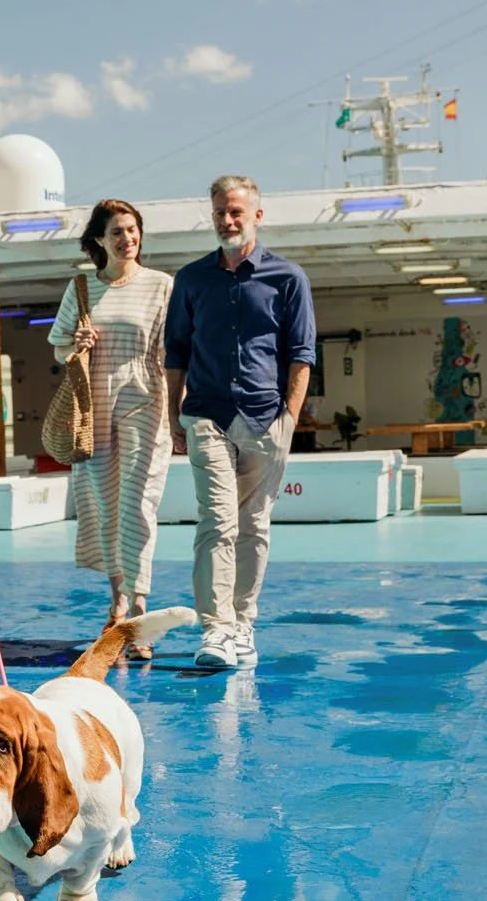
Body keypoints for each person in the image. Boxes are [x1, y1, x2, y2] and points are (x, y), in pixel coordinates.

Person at [164, 175, 316, 670]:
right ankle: (215, 629)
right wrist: (172, 413)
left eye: (235, 212)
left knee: (253, 525)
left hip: (266, 418)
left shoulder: (287, 278)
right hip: (207, 413)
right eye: (218, 214)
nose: (226, 221)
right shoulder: (191, 279)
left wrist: (289, 419)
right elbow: (176, 352)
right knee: (217, 520)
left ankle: (243, 624)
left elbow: (301, 354)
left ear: (257, 214)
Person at [47, 199, 174, 658]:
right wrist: (75, 344)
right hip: (92, 410)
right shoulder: (81, 287)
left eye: (133, 229)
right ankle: (117, 599)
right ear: (99, 239)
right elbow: (59, 349)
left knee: (138, 503)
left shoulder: (162, 286)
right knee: (104, 506)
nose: (127, 238)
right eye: (117, 231)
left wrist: (179, 413)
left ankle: (137, 609)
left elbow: (172, 353)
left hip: (146, 403)